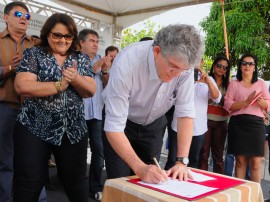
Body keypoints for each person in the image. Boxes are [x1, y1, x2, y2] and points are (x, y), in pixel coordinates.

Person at [102, 24, 205, 183]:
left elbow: (185, 112)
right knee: (120, 182)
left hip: (154, 124)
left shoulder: (184, 68)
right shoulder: (127, 61)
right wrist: (140, 168)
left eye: (182, 70)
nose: (177, 75)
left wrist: (182, 161)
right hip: (123, 125)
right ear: (157, 51)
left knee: (153, 182)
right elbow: (114, 127)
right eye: (173, 67)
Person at [13, 13, 96, 201]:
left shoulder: (80, 58)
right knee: (28, 184)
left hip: (72, 129)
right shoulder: (34, 53)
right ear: (47, 34)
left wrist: (75, 79)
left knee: (76, 184)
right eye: (57, 35)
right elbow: (22, 86)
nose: (63, 40)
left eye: (68, 36)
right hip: (34, 126)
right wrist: (59, 85)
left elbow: (90, 90)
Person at [0, 2, 41, 202]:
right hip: (4, 108)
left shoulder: (35, 45)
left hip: (32, 110)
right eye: (18, 14)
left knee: (33, 160)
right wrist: (9, 68)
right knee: (5, 162)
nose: (24, 18)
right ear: (5, 17)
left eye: (27, 16)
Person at [224, 53, 270, 183]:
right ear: (240, 66)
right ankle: (241, 195)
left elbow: (268, 103)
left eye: (250, 64)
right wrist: (246, 102)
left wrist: (263, 104)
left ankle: (255, 196)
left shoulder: (261, 83)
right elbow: (227, 104)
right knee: (240, 161)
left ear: (255, 67)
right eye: (244, 63)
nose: (247, 66)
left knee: (256, 162)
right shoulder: (234, 83)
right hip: (238, 124)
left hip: (256, 124)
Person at [168, 60, 221, 169]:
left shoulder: (209, 79)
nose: (195, 63)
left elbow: (217, 98)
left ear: (202, 62)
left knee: (193, 162)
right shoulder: (180, 75)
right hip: (179, 126)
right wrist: (194, 82)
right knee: (173, 161)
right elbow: (171, 95)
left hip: (198, 129)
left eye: (198, 60)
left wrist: (208, 82)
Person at [198, 56, 231, 174]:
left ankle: (219, 182)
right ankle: (201, 181)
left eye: (225, 68)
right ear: (214, 65)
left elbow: (228, 103)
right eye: (219, 66)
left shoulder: (229, 85)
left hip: (221, 122)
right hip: (205, 120)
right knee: (204, 153)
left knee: (218, 155)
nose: (221, 69)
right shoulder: (205, 79)